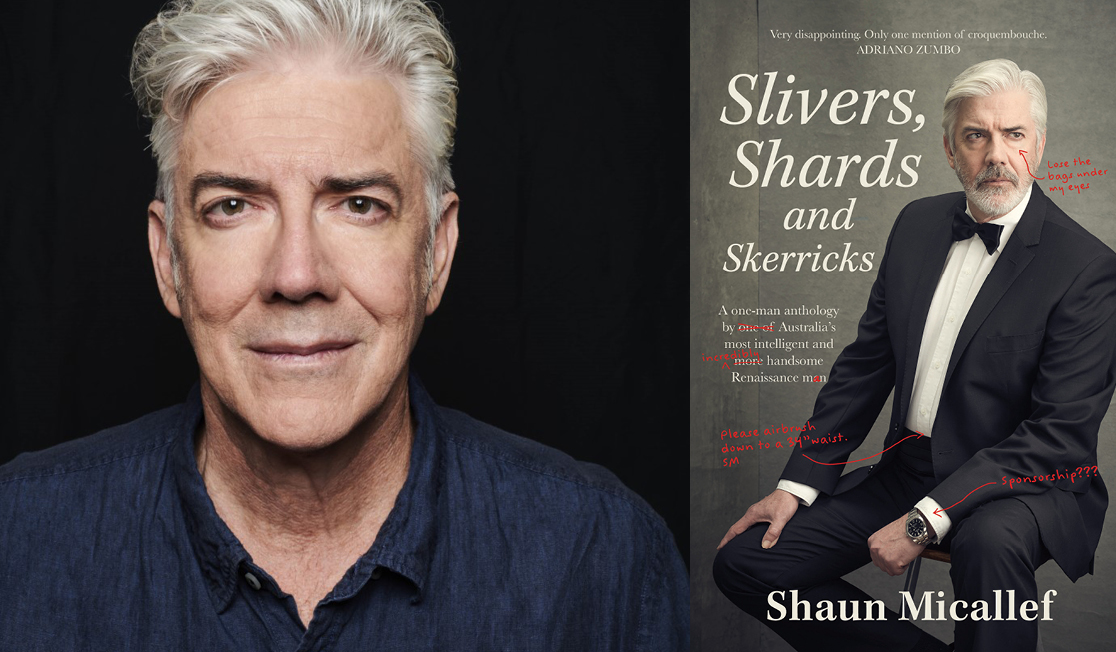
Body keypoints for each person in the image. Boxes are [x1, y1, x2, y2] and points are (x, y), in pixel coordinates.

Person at [0, 1, 688, 649]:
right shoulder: (18, 542)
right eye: (232, 206)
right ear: (168, 260)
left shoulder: (603, 557)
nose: (297, 276)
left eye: (358, 204)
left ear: (437, 252)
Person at [712, 59, 1116, 652]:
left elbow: (1058, 436)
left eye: (1015, 134)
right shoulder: (916, 224)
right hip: (910, 466)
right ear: (950, 148)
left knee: (988, 543)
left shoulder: (1086, 268)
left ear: (1040, 146)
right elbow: (867, 362)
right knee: (747, 563)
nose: (997, 154)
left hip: (1023, 486)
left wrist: (925, 519)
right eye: (977, 135)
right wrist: (797, 485)